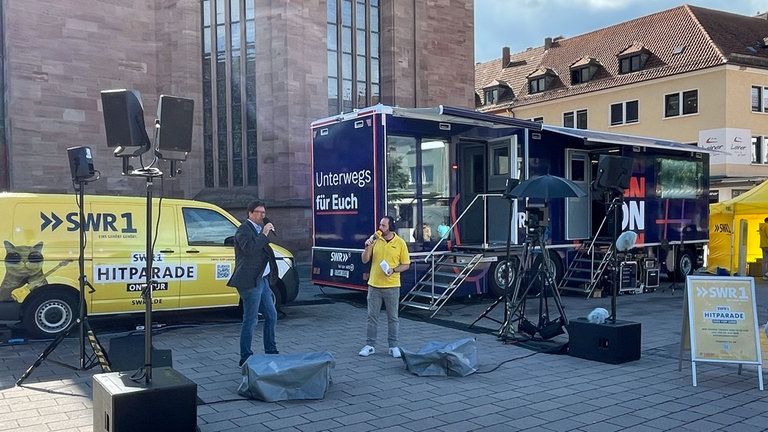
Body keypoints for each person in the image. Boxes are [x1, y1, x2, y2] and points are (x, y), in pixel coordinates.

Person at [227, 200, 279, 367]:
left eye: (264, 213)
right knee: (251, 319)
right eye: (258, 212)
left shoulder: (257, 229)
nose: (262, 216)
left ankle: (271, 350)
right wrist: (264, 234)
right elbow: (249, 250)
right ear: (249, 213)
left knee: (271, 315)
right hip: (249, 280)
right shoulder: (243, 230)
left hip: (261, 280)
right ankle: (245, 356)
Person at [359, 215, 410, 358]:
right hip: (374, 286)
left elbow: (406, 264)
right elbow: (364, 260)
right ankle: (370, 345)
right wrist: (368, 246)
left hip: (392, 286)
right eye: (380, 225)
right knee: (372, 316)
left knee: (393, 317)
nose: (380, 228)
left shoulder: (400, 243)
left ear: (391, 227)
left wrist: (393, 270)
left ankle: (393, 346)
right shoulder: (375, 240)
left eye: (383, 226)